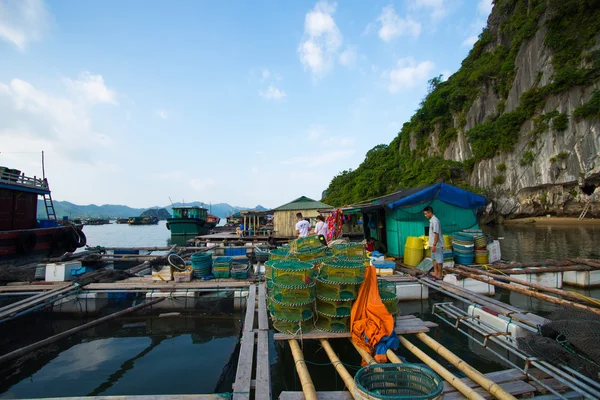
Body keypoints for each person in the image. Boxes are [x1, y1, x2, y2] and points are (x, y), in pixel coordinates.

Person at [423, 206, 443, 280]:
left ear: (430, 212)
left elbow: (436, 234)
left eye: (426, 214)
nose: (425, 215)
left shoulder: (435, 221)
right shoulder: (431, 220)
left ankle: (439, 275)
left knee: (439, 260)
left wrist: (434, 245)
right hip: (432, 244)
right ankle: (435, 272)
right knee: (434, 259)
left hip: (437, 244)